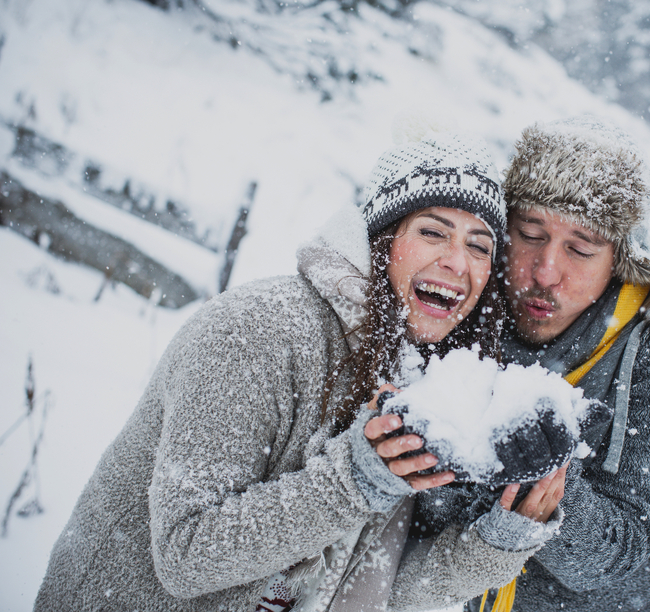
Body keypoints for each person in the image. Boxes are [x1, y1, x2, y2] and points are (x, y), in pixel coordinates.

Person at [33, 124, 567, 612]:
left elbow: (369, 583)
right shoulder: (255, 331)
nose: (459, 261)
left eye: (480, 246)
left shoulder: (415, 377)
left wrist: (503, 538)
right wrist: (354, 482)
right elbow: (187, 553)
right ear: (381, 242)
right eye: (433, 231)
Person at [464, 117, 650, 611]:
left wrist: (549, 472)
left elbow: (610, 556)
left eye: (580, 249)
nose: (545, 272)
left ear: (622, 261)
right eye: (530, 234)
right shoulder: (478, 305)